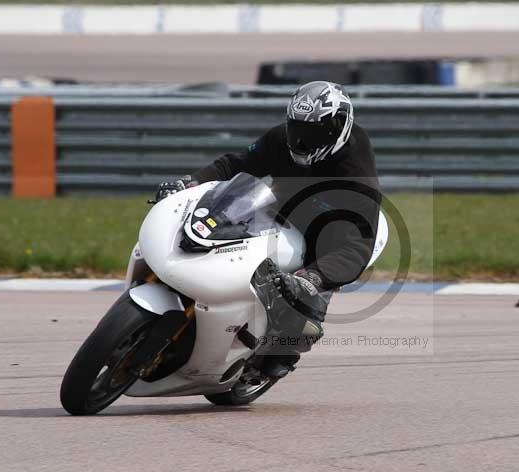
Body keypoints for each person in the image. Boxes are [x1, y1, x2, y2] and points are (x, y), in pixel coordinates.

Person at [156, 81, 382, 379]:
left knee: (302, 314)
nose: (301, 141)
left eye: (313, 133)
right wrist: (191, 182)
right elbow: (236, 164)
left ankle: (277, 362)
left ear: (338, 128)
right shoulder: (282, 138)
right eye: (297, 128)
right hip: (278, 207)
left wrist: (313, 276)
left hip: (327, 234)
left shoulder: (357, 178)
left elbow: (357, 247)